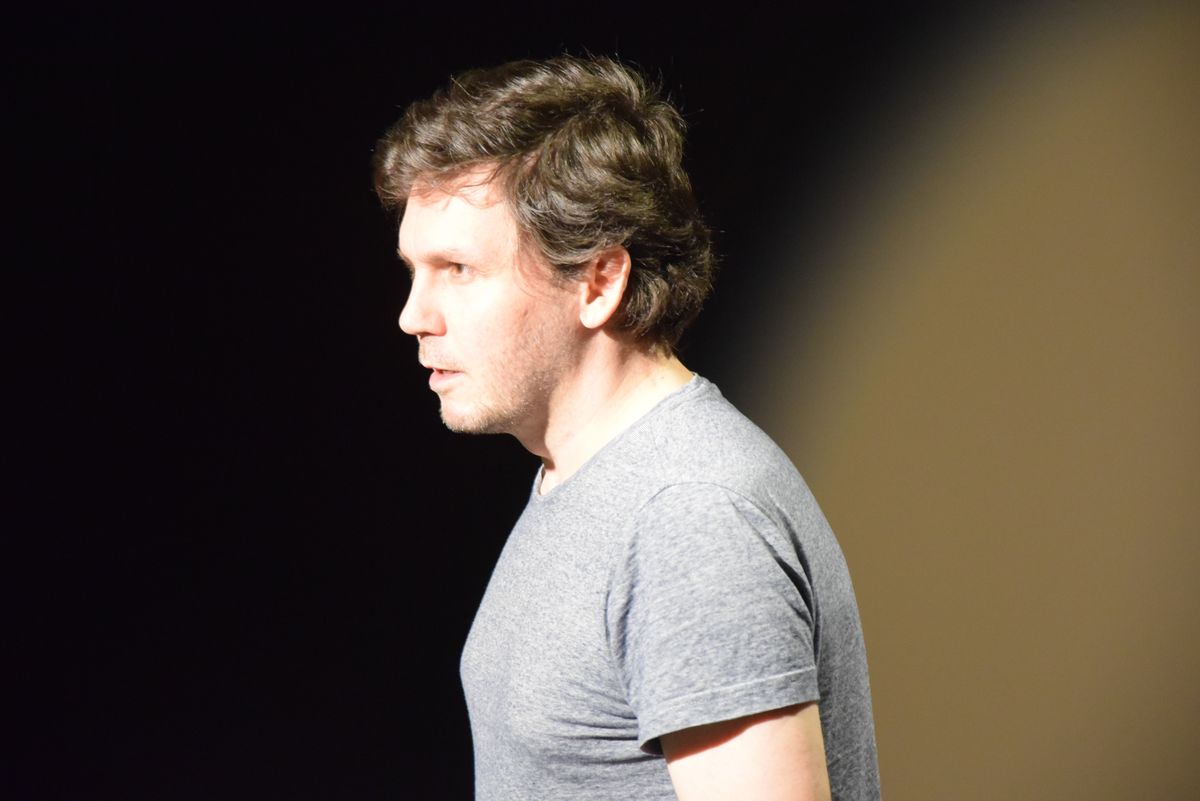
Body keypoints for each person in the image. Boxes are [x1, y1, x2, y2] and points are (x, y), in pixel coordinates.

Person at [374, 55, 879, 801]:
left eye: (457, 268)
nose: (413, 316)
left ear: (599, 280)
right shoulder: (581, 474)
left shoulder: (688, 516)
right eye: (413, 270)